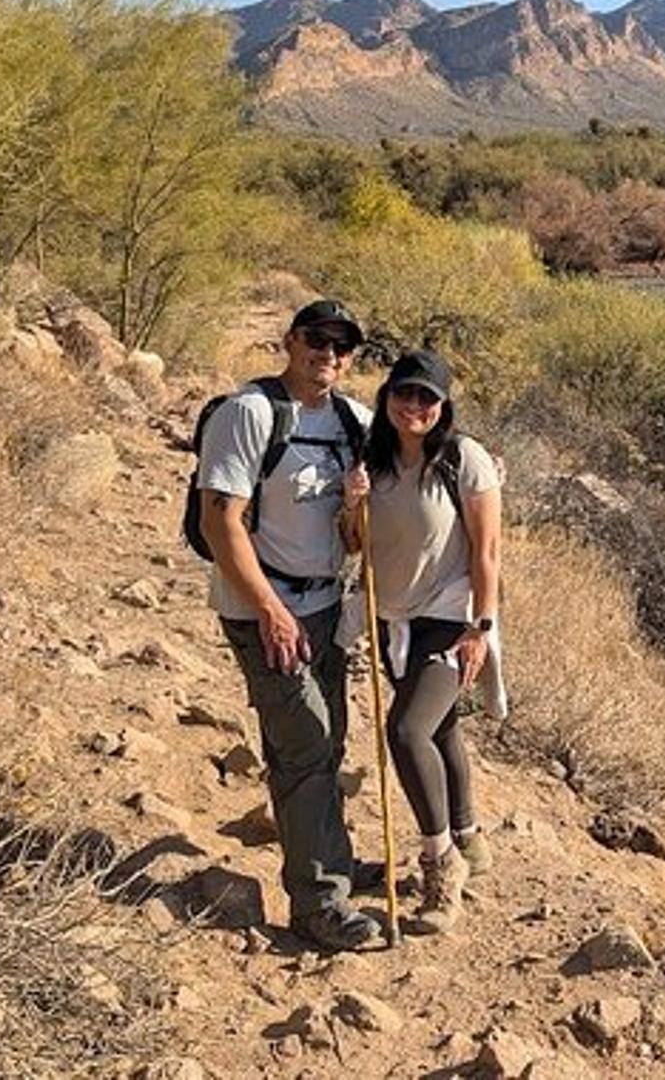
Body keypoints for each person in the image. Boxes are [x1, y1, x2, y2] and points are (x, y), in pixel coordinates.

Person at [197, 299, 380, 953]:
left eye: (342, 345)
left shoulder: (356, 423)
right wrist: (271, 610)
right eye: (316, 338)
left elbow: (358, 541)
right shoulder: (249, 414)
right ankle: (319, 905)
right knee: (305, 744)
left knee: (327, 743)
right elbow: (221, 521)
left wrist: (361, 508)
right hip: (262, 608)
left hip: (327, 605)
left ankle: (329, 857)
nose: (327, 353)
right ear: (290, 340)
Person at [341, 348, 504, 936]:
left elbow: (486, 552)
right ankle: (468, 833)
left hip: (450, 616)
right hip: (393, 619)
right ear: (387, 398)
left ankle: (442, 863)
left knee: (407, 732)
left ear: (443, 407)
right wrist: (352, 502)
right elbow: (355, 547)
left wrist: (480, 628)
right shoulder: (373, 460)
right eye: (404, 394)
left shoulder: (465, 460)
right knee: (439, 728)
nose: (414, 406)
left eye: (426, 398)